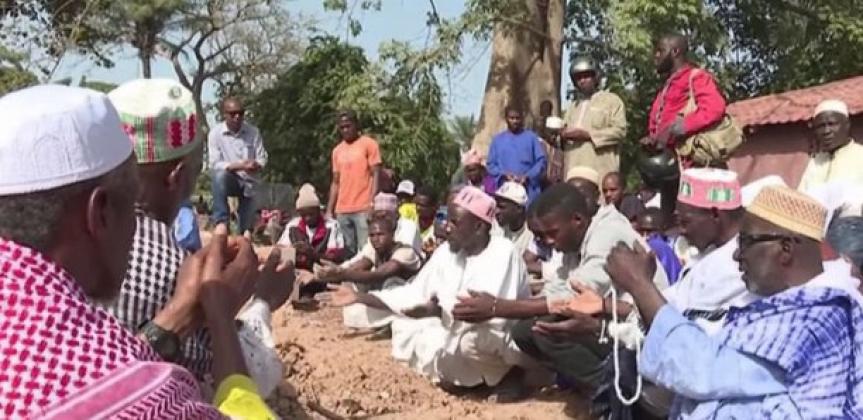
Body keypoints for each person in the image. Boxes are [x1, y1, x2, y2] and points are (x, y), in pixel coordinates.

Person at [0, 84, 276, 418]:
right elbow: (119, 385)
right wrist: (220, 313)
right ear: (100, 213)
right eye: (132, 207)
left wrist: (179, 314)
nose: (137, 227)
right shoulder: (152, 402)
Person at [605, 185, 863, 418]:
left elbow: (701, 370)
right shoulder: (786, 304)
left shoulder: (818, 320)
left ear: (785, 249)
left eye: (746, 242)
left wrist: (640, 286)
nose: (738, 255)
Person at [107, 79, 295, 385]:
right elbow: (242, 382)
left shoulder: (65, 246)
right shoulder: (173, 269)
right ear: (178, 177)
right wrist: (261, 301)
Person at [327, 186, 532, 401]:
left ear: (479, 226)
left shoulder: (503, 252)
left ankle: (510, 376)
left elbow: (485, 314)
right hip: (458, 332)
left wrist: (437, 310)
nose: (446, 227)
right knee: (408, 326)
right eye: (447, 220)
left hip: (496, 336)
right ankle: (472, 380)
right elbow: (415, 291)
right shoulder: (447, 252)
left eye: (454, 222)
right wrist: (360, 297)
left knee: (475, 340)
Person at [504, 183, 669, 388]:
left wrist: (497, 308)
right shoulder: (576, 241)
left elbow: (574, 295)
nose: (548, 242)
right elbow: (558, 287)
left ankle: (619, 395)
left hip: (643, 330)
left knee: (548, 331)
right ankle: (590, 386)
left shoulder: (608, 233)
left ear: (577, 220)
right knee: (526, 331)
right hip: (614, 320)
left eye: (552, 233)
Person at [643, 33, 728, 218]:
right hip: (671, 172)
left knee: (694, 222)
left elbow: (715, 108)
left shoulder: (696, 77)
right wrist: (653, 140)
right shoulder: (666, 86)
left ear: (675, 51)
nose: (655, 56)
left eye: (660, 51)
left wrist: (681, 126)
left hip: (693, 169)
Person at [315, 218, 422, 333]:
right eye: (372, 235)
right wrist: (326, 274)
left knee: (391, 283)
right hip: (385, 300)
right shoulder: (375, 251)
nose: (376, 239)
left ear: (392, 235)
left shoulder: (405, 252)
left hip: (410, 301)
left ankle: (392, 322)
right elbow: (355, 269)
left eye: (381, 234)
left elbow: (378, 275)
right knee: (352, 292)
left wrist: (341, 274)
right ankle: (387, 322)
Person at [208, 96, 268, 234]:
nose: (237, 117)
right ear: (224, 114)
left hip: (250, 183)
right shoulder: (215, 134)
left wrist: (256, 165)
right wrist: (240, 166)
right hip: (230, 179)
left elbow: (263, 158)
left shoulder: (253, 132)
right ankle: (221, 222)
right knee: (219, 176)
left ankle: (246, 233)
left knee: (246, 231)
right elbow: (215, 163)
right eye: (233, 113)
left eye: (240, 113)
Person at [327, 110, 382, 257]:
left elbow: (375, 175)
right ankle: (350, 280)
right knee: (347, 250)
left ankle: (366, 279)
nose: (345, 130)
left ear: (356, 125)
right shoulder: (337, 151)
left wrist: (372, 204)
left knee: (366, 250)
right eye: (342, 127)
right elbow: (335, 182)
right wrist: (329, 210)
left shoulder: (369, 144)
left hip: (363, 208)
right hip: (342, 210)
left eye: (348, 126)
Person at [561, 57, 627, 180]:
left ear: (596, 77)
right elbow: (563, 135)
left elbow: (620, 131)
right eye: (578, 78)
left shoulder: (611, 101)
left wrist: (589, 135)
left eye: (586, 76)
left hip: (600, 169)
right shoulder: (572, 107)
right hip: (573, 168)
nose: (582, 81)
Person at [278, 183, 344, 301]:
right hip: (298, 271)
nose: (307, 218)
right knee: (284, 260)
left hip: (319, 272)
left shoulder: (331, 225)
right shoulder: (293, 225)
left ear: (319, 210)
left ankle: (310, 293)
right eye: (304, 215)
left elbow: (335, 258)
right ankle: (295, 294)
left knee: (329, 272)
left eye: (311, 214)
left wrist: (312, 254)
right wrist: (293, 252)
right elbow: (280, 249)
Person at [798, 99, 863, 192]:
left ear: (847, 125)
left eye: (832, 124)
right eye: (821, 126)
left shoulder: (860, 156)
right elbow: (802, 196)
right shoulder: (816, 161)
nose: (826, 131)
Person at [487, 106, 547, 203]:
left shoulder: (531, 138)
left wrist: (527, 176)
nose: (515, 121)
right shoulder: (497, 140)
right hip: (505, 189)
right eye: (512, 118)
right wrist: (504, 174)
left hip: (528, 190)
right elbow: (491, 165)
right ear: (506, 119)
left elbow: (541, 161)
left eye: (517, 118)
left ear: (522, 119)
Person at [636, 208, 682, 286]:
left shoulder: (659, 246)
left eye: (649, 231)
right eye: (641, 231)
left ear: (662, 229)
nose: (645, 235)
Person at [491, 181, 534, 256]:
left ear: (519, 209)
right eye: (496, 206)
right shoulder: (494, 228)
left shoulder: (532, 236)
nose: (496, 211)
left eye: (502, 207)